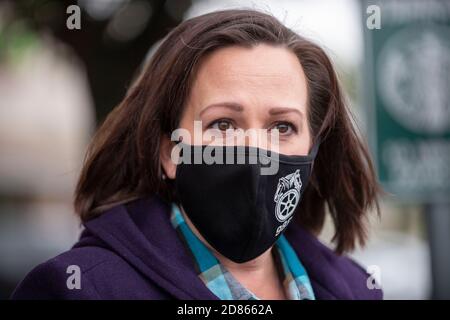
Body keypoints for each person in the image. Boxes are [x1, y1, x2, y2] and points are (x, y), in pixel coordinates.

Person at [12, 9, 382, 300]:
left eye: (282, 127)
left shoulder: (358, 289)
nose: (255, 150)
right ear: (170, 152)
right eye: (223, 125)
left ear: (313, 151)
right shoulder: (78, 290)